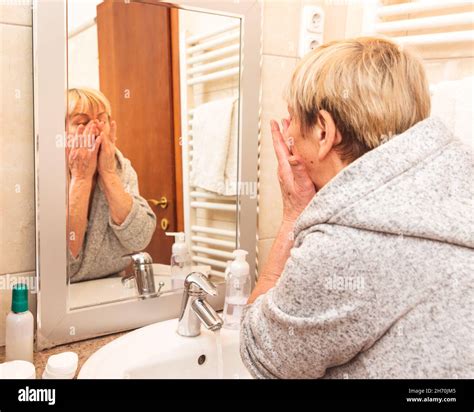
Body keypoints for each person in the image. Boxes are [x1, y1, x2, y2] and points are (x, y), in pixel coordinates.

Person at [240, 37, 473, 378]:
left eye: (291, 118)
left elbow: (263, 358)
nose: (287, 130)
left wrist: (293, 213)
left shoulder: (343, 246)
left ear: (323, 131)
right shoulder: (458, 186)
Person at [66, 88, 156, 282]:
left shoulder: (121, 168)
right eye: (81, 122)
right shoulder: (47, 177)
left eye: (102, 120)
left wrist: (108, 174)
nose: (95, 129)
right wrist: (81, 178)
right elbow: (60, 261)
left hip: (113, 288)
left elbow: (139, 239)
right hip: (60, 296)